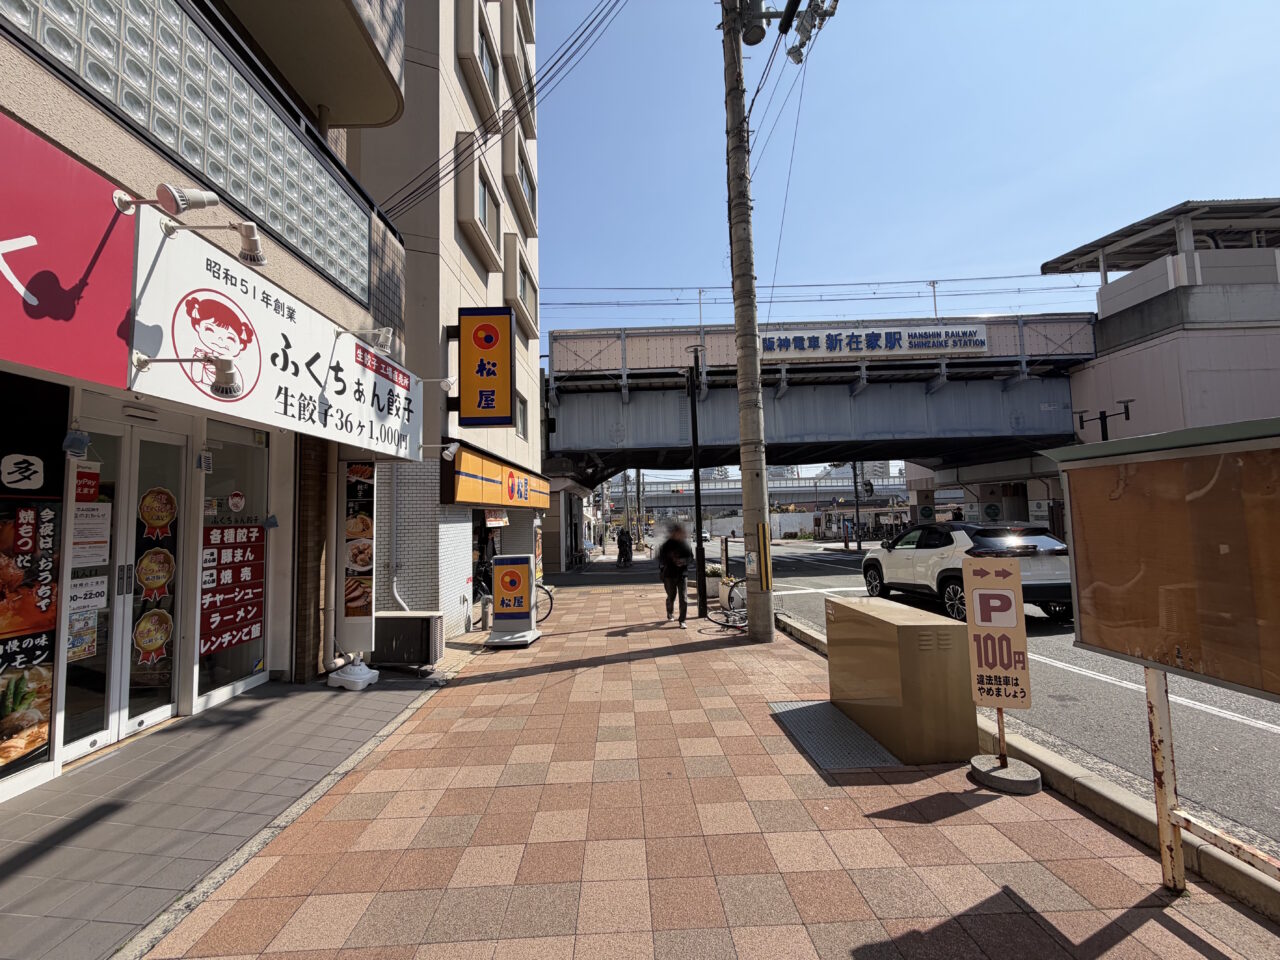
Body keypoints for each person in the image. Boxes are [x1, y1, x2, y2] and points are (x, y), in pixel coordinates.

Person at [658, 524, 694, 624]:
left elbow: (691, 558)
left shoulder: (684, 545)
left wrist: (683, 561)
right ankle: (670, 612)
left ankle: (682, 620)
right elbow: (661, 559)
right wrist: (670, 560)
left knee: (684, 598)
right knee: (671, 596)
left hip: (682, 574)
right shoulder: (666, 545)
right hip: (669, 574)